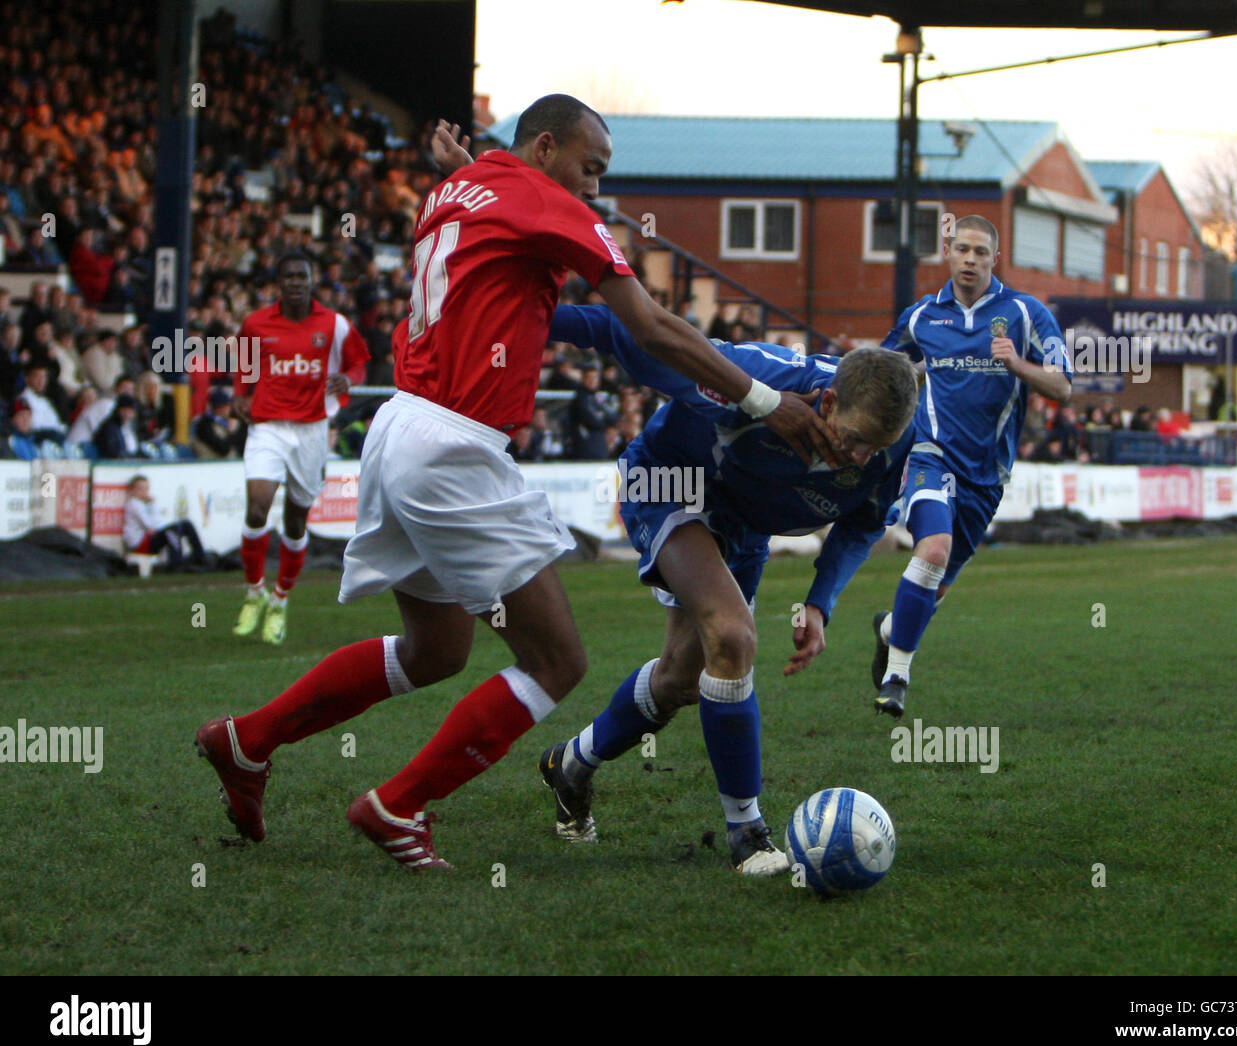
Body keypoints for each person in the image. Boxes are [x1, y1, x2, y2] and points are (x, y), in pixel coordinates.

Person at [195, 95, 840, 871]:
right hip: (453, 448)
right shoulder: (540, 198)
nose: (597, 189)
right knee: (556, 659)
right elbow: (656, 328)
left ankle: (249, 739)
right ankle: (399, 804)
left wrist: (480, 171)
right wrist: (766, 403)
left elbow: (507, 224)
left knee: (435, 649)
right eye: (591, 168)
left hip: (399, 427)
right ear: (544, 148)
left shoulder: (453, 194)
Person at [537, 303, 917, 873]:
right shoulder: (760, 376)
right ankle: (748, 834)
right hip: (670, 482)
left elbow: (864, 522)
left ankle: (568, 766)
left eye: (876, 448)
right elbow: (628, 330)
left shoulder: (888, 447)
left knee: (681, 677)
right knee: (734, 637)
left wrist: (820, 602)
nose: (862, 458)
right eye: (857, 439)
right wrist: (520, 315)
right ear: (830, 402)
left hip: (742, 524)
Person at [871, 216, 1071, 716]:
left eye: (981, 252)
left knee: (935, 584)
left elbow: (1062, 386)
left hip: (987, 475)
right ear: (948, 251)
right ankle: (897, 676)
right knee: (932, 549)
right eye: (962, 249)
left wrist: (1017, 365)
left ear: (995, 259)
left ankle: (889, 631)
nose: (970, 259)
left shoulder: (1027, 314)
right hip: (930, 456)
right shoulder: (921, 317)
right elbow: (879, 372)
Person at [229, 250, 371, 645]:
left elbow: (360, 362)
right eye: (288, 276)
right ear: (279, 283)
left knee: (295, 521)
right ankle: (254, 593)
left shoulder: (334, 324)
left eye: (301, 276)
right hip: (267, 427)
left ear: (311, 280)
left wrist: (348, 377)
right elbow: (244, 364)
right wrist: (241, 394)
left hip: (311, 430)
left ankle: (280, 600)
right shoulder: (257, 324)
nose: (295, 282)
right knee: (257, 507)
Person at [122, 475, 207, 571]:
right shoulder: (133, 504)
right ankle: (176, 564)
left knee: (186, 524)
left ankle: (200, 557)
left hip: (150, 537)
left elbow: (159, 523)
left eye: (146, 488)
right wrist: (152, 505)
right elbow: (149, 524)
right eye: (140, 488)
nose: (144, 491)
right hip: (140, 542)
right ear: (132, 490)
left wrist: (152, 505)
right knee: (172, 531)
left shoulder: (147, 503)